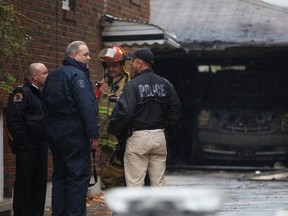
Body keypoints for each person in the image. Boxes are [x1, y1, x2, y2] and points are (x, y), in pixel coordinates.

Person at [109, 48, 181, 187]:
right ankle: (159, 209)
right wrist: (165, 124)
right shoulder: (165, 84)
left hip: (138, 137)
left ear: (140, 64)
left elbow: (126, 112)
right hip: (159, 136)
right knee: (158, 183)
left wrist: (114, 128)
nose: (131, 65)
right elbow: (175, 109)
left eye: (133, 62)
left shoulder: (132, 85)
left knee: (135, 184)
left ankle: (137, 210)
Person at [43, 41, 99, 216]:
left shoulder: (52, 77)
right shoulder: (78, 76)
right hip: (75, 134)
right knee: (77, 177)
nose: (89, 58)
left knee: (60, 176)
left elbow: (45, 104)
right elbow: (86, 106)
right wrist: (93, 134)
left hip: (55, 134)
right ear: (74, 55)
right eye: (85, 54)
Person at [6, 63, 49, 216]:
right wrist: (24, 143)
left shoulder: (41, 94)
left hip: (41, 147)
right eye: (44, 73)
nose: (47, 76)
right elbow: (13, 120)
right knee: (25, 187)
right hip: (28, 148)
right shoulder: (22, 94)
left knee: (39, 188)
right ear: (34, 76)